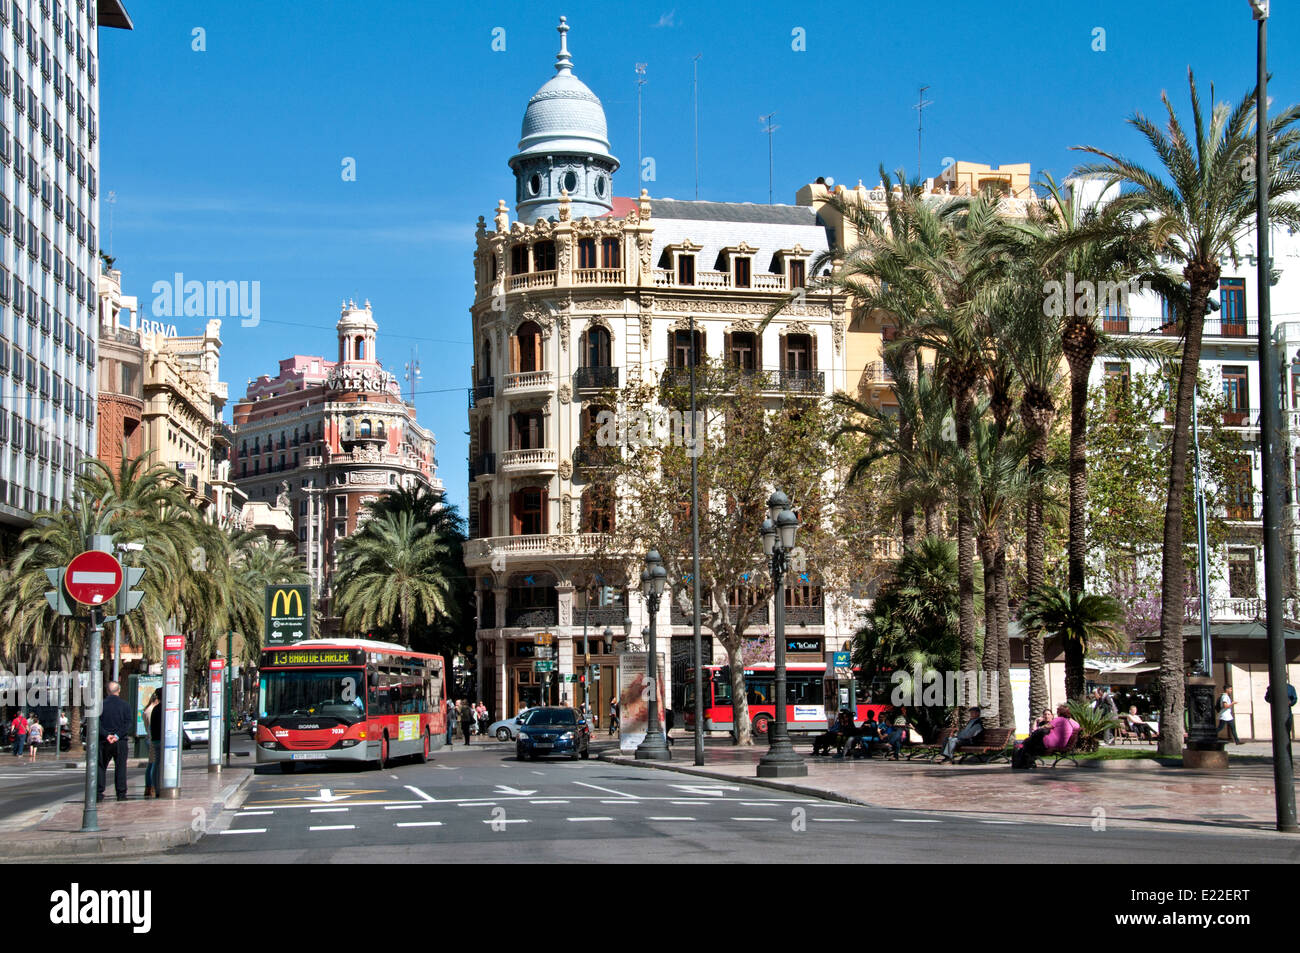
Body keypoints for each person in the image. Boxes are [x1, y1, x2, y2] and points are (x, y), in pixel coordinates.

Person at [97, 681, 133, 801]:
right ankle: (121, 793)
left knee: (101, 767)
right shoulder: (125, 705)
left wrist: (107, 735)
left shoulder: (100, 705)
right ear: (119, 690)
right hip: (120, 741)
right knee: (121, 767)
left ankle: (98, 793)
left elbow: (96, 723)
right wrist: (117, 736)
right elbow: (128, 723)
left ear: (107, 691)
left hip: (103, 741)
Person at [1016, 703, 1079, 769]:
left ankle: (1023, 763)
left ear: (1060, 713)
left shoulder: (1059, 719)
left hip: (1050, 744)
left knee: (1028, 743)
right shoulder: (1069, 721)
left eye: (1057, 712)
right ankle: (1026, 761)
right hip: (1063, 744)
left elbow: (1045, 727)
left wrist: (1039, 726)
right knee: (1030, 743)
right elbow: (1077, 725)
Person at [144, 689, 162, 797]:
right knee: (153, 763)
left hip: (152, 738)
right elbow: (151, 726)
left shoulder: (150, 709)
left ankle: (150, 786)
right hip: (154, 738)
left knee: (153, 763)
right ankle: (151, 786)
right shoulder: (152, 710)